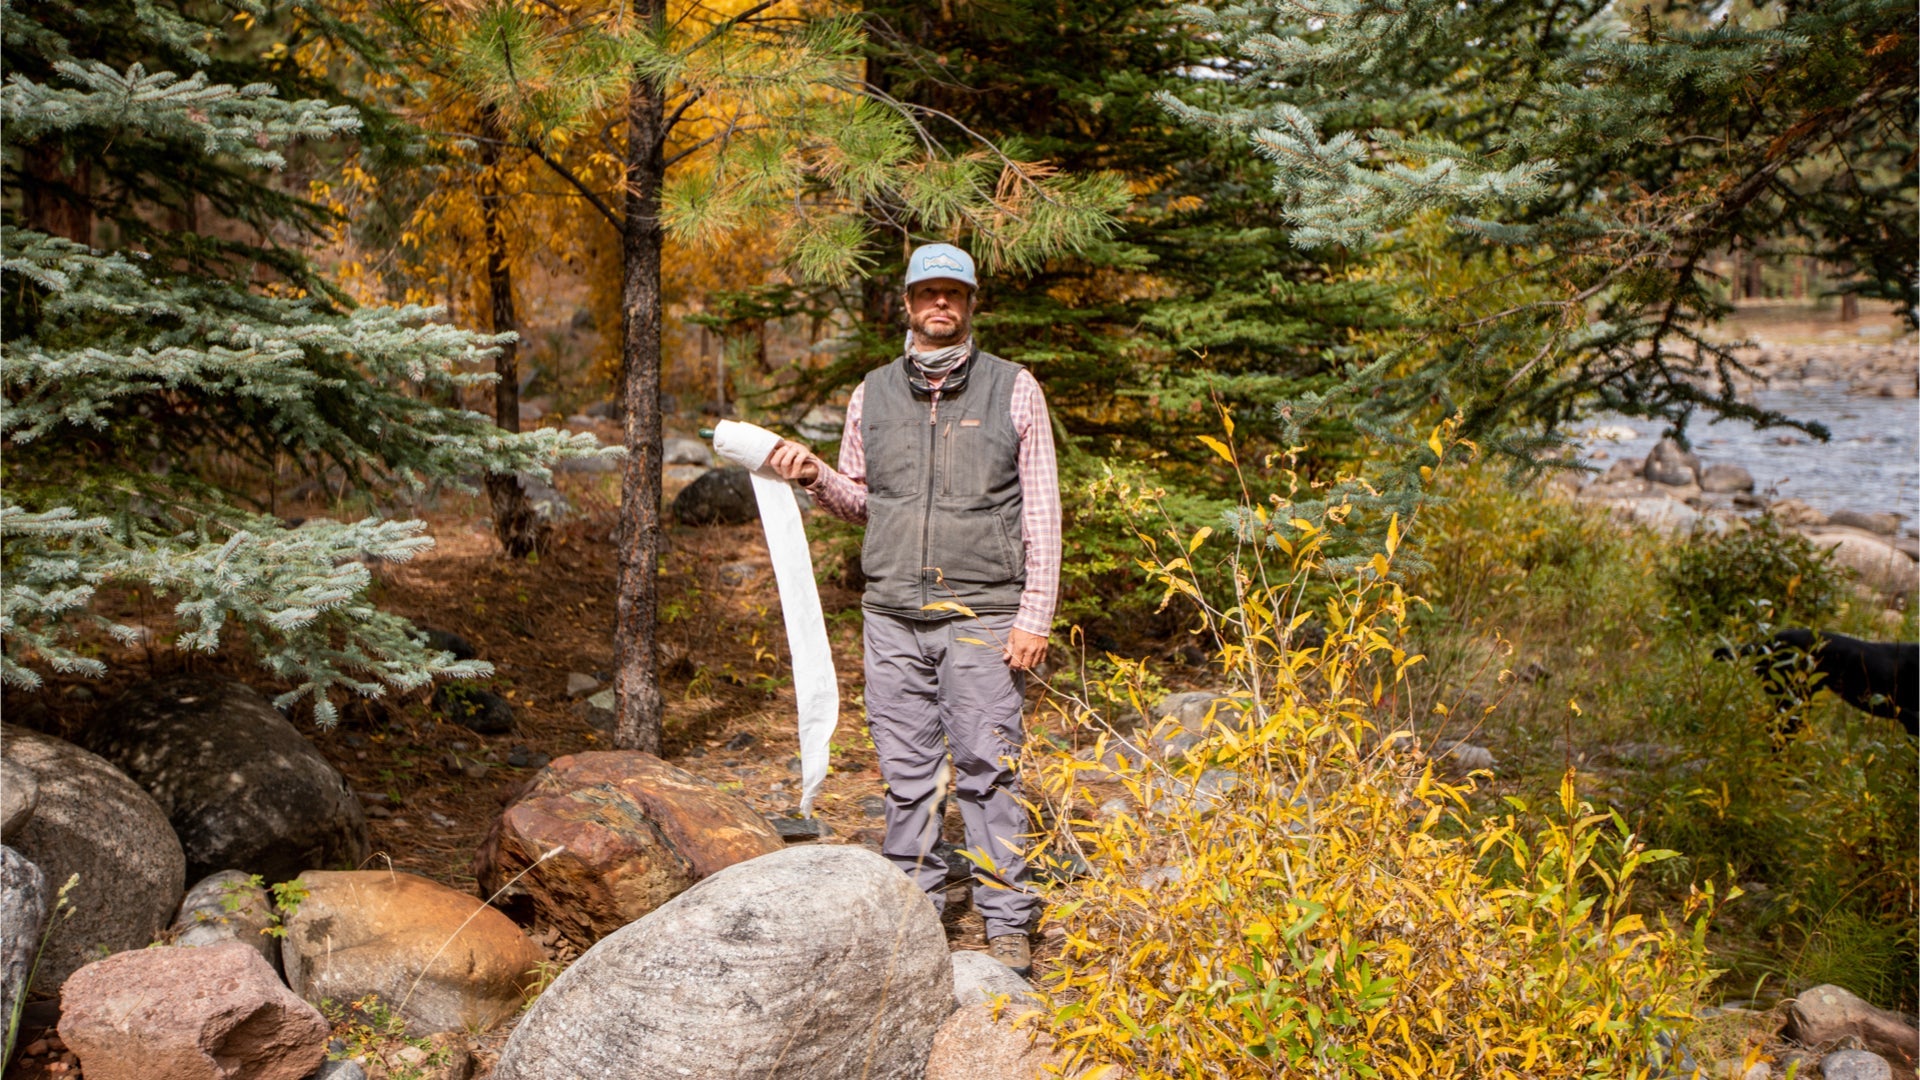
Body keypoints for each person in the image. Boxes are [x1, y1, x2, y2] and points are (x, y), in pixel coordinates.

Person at [763, 243, 1059, 975]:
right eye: (927, 293)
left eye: (953, 294)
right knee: (908, 772)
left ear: (970, 304)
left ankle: (1006, 919)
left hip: (983, 614)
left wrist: (1035, 615)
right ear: (906, 303)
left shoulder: (1014, 389)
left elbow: (1043, 513)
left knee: (988, 768)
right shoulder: (871, 393)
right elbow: (866, 500)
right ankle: (917, 908)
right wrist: (816, 478)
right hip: (892, 612)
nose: (940, 306)